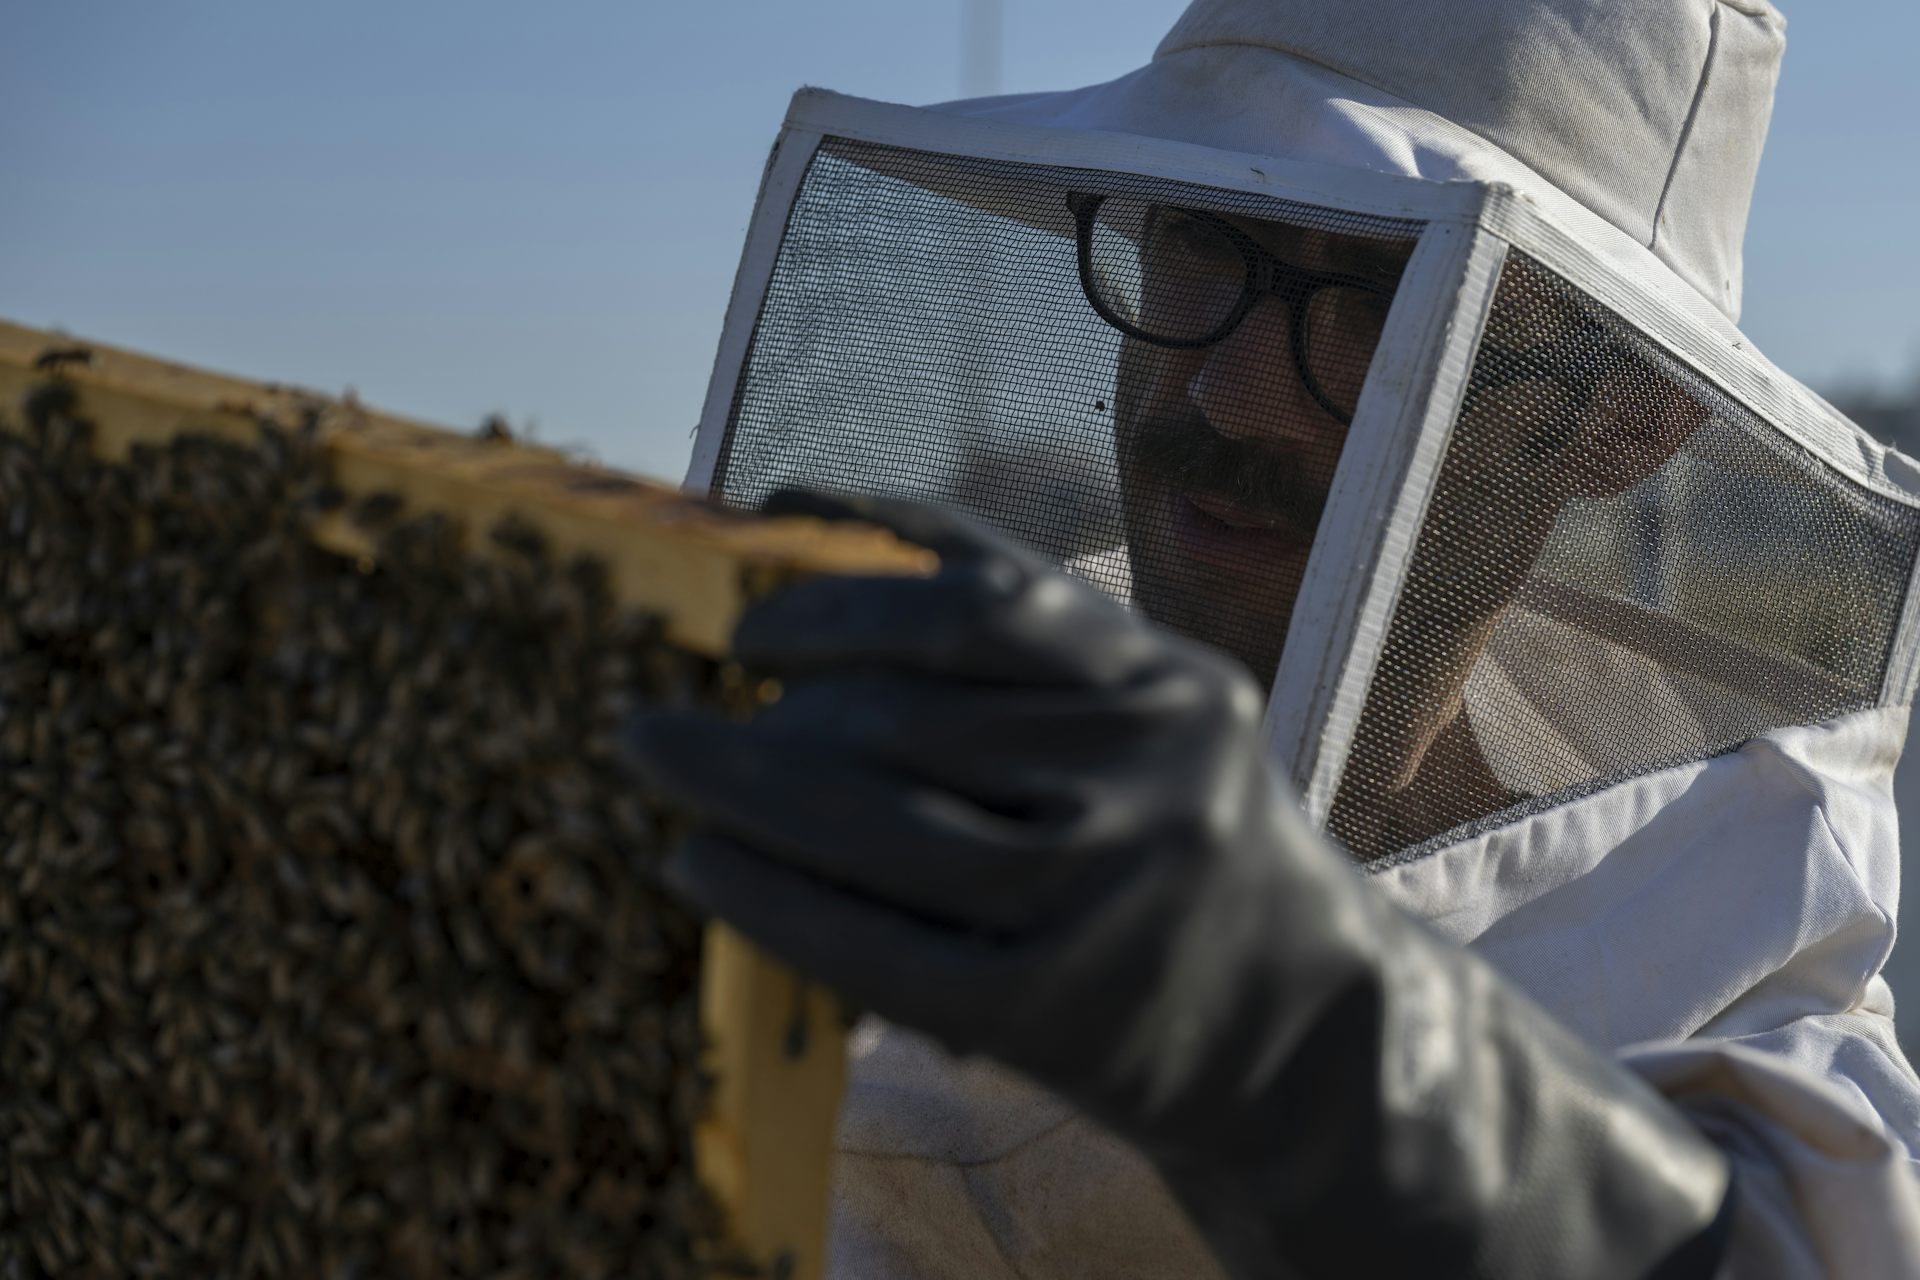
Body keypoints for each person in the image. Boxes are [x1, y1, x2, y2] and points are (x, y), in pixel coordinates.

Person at [633, 0, 1920, 1274]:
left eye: (1381, 299)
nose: (1225, 393)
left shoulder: (1749, 1005)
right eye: (1205, 236)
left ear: (1630, 418)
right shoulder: (882, 756)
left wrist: (1287, 1037)